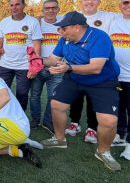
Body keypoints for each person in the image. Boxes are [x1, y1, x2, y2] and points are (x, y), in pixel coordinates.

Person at [41, 11, 121, 171]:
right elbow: (53, 60)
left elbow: (96, 67)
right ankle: (59, 139)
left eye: (63, 28)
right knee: (56, 104)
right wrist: (37, 60)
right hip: (74, 78)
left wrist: (69, 68)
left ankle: (103, 152)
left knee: (109, 121)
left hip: (102, 81)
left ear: (77, 27)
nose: (60, 31)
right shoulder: (65, 39)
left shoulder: (100, 37)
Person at [66, 0, 117, 143]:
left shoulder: (110, 16)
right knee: (76, 96)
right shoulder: (74, 16)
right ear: (81, 2)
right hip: (77, 64)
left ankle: (92, 128)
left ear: (99, 2)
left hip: (98, 65)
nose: (90, 2)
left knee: (92, 97)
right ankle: (74, 122)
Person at [0, 0, 42, 111]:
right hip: (5, 64)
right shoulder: (4, 22)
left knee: (22, 95)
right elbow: (0, 44)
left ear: (24, 5)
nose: (14, 7)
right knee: (1, 92)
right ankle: (3, 115)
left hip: (24, 66)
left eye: (17, 4)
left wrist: (34, 67)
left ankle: (20, 117)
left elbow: (37, 45)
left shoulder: (33, 22)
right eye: (11, 5)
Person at [29, 0, 63, 132]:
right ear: (42, 10)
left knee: (53, 97)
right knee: (34, 95)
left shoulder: (64, 24)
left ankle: (47, 121)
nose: (50, 10)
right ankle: (35, 119)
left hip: (57, 67)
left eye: (54, 8)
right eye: (47, 8)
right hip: (39, 66)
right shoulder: (36, 23)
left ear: (58, 9)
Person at [109, 0, 130, 156]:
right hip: (116, 75)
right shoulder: (113, 20)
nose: (128, 5)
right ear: (120, 5)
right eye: (125, 2)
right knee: (119, 107)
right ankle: (120, 134)